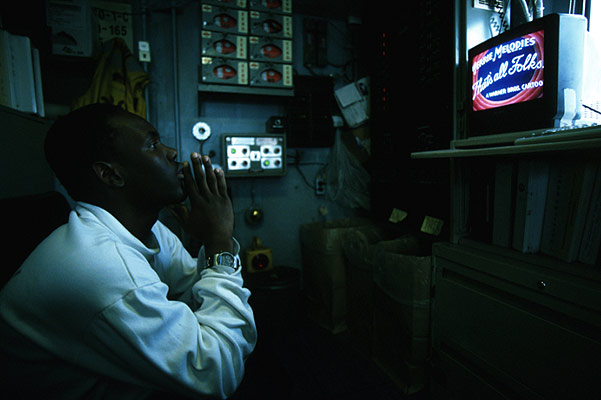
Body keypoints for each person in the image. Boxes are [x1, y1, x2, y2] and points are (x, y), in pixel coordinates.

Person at [0, 103, 257, 399]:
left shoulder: (148, 230)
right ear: (110, 175)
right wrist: (219, 241)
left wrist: (205, 242)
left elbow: (193, 296)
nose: (172, 152)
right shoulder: (101, 267)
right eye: (152, 144)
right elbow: (218, 373)